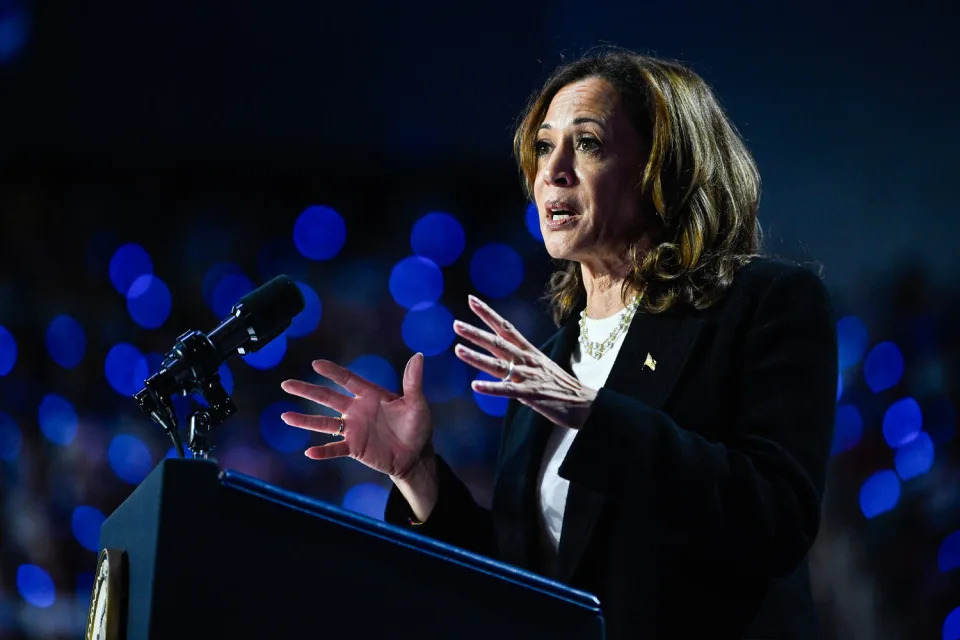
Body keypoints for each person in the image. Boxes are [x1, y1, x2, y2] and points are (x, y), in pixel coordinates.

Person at [280, 48, 837, 640]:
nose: (554, 170)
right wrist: (419, 476)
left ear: (663, 171)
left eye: (589, 143)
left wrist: (591, 414)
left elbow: (774, 520)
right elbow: (529, 578)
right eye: (545, 146)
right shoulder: (547, 358)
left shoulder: (764, 304)